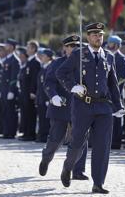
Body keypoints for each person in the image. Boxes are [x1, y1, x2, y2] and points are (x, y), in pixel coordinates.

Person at [56, 22, 125, 194]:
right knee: (78, 143)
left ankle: (98, 183)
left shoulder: (109, 56)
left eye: (100, 34)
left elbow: (113, 83)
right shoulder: (79, 54)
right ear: (88, 37)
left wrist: (118, 106)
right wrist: (73, 86)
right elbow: (61, 73)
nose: (98, 37)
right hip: (83, 105)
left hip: (103, 107)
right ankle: (68, 167)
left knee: (102, 146)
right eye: (94, 34)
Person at [39, 35, 88, 181]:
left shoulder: (85, 64)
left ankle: (75, 170)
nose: (74, 49)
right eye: (71, 46)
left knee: (80, 141)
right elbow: (49, 83)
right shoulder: (57, 63)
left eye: (77, 47)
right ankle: (46, 158)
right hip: (61, 106)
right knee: (55, 140)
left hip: (80, 108)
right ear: (64, 48)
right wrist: (53, 96)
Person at [106, 35, 125, 149]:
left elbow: (122, 79)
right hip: (107, 93)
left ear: (116, 45)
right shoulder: (108, 56)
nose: (108, 45)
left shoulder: (121, 58)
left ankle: (116, 143)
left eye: (111, 43)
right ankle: (110, 141)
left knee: (117, 117)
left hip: (116, 94)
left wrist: (115, 93)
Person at [18, 40, 41, 141]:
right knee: (25, 113)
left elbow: (34, 79)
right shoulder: (29, 61)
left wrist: (33, 91)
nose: (26, 49)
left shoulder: (35, 62)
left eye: (28, 48)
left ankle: (30, 134)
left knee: (30, 113)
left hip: (30, 93)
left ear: (33, 49)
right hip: (24, 92)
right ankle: (26, 132)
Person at [0, 39, 20, 139]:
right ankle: (6, 131)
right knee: (5, 111)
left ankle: (11, 132)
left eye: (7, 45)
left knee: (10, 112)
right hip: (4, 89)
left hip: (9, 90)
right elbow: (2, 76)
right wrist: (0, 89)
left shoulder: (15, 60)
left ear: (12, 47)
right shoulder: (7, 59)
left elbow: (14, 77)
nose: (5, 47)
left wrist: (11, 90)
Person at [35, 48, 54, 142]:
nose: (41, 57)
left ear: (48, 57)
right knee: (41, 118)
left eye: (43, 56)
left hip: (47, 98)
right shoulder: (43, 67)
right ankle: (41, 136)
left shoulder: (50, 68)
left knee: (46, 119)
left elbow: (50, 85)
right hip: (41, 97)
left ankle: (45, 136)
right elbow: (40, 85)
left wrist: (48, 98)